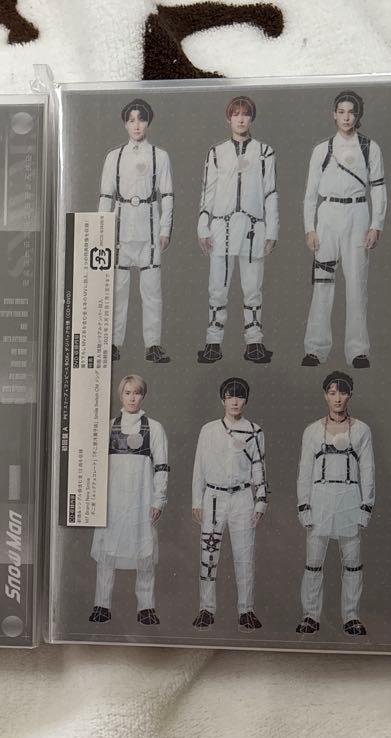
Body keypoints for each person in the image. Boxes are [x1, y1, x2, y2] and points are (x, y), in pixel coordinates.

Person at [301, 92, 386, 369]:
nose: (346, 117)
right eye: (341, 112)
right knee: (322, 283)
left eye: (351, 112)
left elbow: (379, 189)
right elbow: (310, 193)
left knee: (356, 284)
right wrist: (310, 228)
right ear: (334, 115)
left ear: (357, 115)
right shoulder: (322, 149)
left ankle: (358, 351)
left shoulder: (369, 147)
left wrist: (376, 224)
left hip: (357, 214)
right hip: (328, 216)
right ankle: (315, 349)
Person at [195, 96, 278, 365]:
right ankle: (213, 343)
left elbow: (270, 192)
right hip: (222, 227)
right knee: (217, 288)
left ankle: (254, 343)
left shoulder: (264, 152)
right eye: (236, 114)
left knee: (253, 288)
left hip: (254, 228)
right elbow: (208, 191)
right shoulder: (216, 152)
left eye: (245, 114)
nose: (241, 119)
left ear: (252, 118)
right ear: (228, 118)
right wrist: (203, 226)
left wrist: (272, 230)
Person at [295, 371, 375, 636]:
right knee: (313, 563)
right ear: (325, 396)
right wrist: (304, 505)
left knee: (352, 563)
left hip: (350, 498)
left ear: (350, 395)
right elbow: (305, 471)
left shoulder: (361, 430)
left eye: (342, 392)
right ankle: (310, 616)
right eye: (332, 392)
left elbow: (368, 470)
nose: (337, 398)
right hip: (320, 499)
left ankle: (351, 616)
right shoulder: (312, 431)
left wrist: (366, 506)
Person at [87, 374, 168, 626]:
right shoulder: (108, 426)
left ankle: (146, 607)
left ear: (144, 395)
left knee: (145, 554)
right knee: (106, 553)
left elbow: (162, 467)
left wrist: (158, 500)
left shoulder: (154, 428)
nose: (132, 398)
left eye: (137, 393)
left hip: (142, 500)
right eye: (127, 393)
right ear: (121, 395)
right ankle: (102, 605)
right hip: (112, 503)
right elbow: (95, 469)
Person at [98, 98, 174, 365]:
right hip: (120, 230)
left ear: (148, 122)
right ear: (125, 124)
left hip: (149, 230)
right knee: (117, 290)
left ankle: (153, 344)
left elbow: (167, 195)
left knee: (151, 290)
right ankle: (113, 343)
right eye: (131, 120)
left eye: (141, 119)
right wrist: (102, 231)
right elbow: (106, 196)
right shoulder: (114, 156)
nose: (137, 125)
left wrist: (165, 229)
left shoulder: (159, 156)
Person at [191, 377, 266, 631]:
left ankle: (246, 610)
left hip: (242, 497)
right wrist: (196, 500)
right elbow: (199, 467)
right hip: (213, 497)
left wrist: (260, 501)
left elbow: (259, 467)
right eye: (229, 396)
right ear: (222, 399)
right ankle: (206, 608)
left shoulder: (254, 431)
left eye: (240, 396)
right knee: (208, 554)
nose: (235, 401)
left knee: (245, 556)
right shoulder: (209, 430)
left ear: (246, 400)